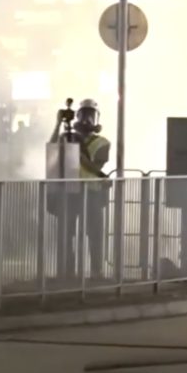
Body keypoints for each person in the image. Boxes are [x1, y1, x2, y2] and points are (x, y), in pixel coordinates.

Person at [50, 99, 111, 279]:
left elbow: (94, 165)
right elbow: (52, 148)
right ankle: (66, 271)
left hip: (92, 192)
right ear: (77, 116)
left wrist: (75, 150)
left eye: (91, 115)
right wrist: (58, 124)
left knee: (95, 233)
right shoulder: (67, 137)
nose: (87, 119)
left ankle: (97, 271)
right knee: (66, 233)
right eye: (84, 114)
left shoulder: (102, 142)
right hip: (69, 191)